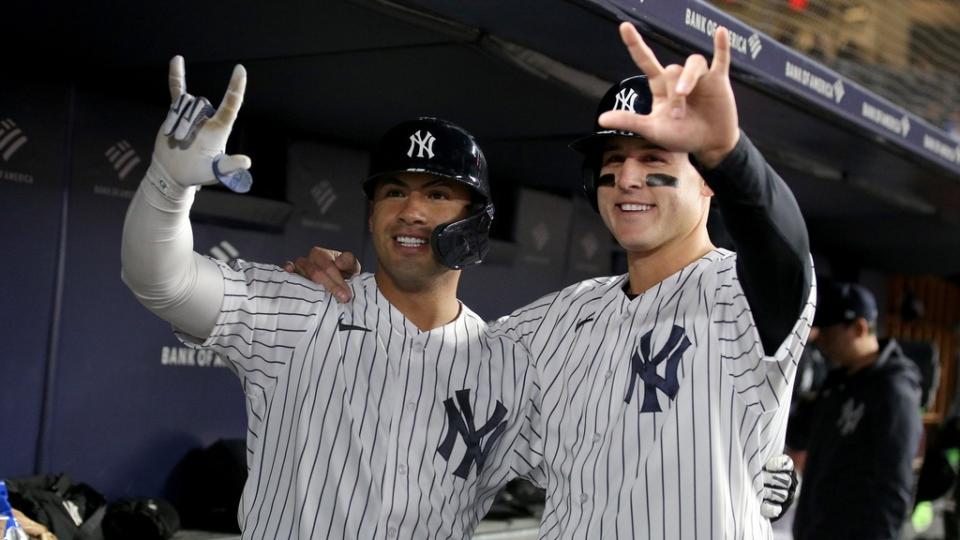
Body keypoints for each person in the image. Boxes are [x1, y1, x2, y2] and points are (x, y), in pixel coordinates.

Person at [292, 22, 814, 537]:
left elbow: (781, 245)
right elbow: (436, 365)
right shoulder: (561, 318)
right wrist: (346, 297)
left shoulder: (741, 293)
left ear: (705, 183)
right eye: (613, 161)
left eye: (654, 157)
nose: (628, 178)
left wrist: (728, 153)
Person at [120, 56, 542, 539]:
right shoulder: (303, 308)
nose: (411, 211)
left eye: (438, 195)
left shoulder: (507, 367)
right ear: (370, 215)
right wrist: (168, 186)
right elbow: (160, 279)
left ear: (476, 221)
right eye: (394, 192)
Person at [790, 282, 922, 540]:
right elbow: (799, 434)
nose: (823, 342)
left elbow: (893, 487)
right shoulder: (837, 384)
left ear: (859, 328)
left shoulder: (894, 392)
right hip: (815, 528)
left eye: (829, 334)